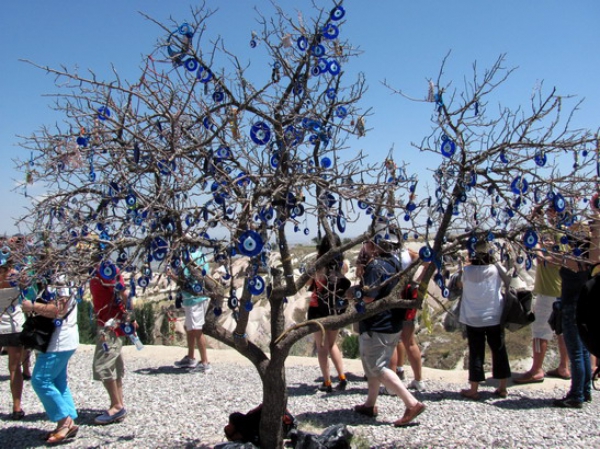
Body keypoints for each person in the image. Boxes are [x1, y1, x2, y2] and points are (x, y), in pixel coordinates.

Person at [353, 230, 426, 427]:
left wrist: (354, 294)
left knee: (377, 366)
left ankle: (411, 403)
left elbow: (369, 297)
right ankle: (370, 404)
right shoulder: (396, 263)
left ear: (376, 245)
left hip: (377, 323)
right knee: (373, 366)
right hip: (393, 323)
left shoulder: (375, 266)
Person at [515, 205, 570, 384]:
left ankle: (536, 369)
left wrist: (538, 249)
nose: (547, 214)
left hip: (549, 290)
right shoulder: (565, 232)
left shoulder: (560, 235)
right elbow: (535, 230)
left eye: (549, 211)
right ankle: (564, 366)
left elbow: (554, 258)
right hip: (562, 289)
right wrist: (535, 218)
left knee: (540, 330)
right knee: (561, 330)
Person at [22, 278, 79, 444]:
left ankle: (64, 420)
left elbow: (58, 309)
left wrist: (32, 306)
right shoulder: (63, 278)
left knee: (40, 380)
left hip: (58, 342)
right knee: (58, 381)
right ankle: (69, 422)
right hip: (64, 340)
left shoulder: (59, 280)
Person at [553, 214, 600, 408]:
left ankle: (576, 394)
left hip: (571, 305)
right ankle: (585, 390)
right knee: (583, 349)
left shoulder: (575, 261)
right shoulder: (589, 260)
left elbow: (552, 258)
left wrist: (539, 245)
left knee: (576, 352)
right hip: (582, 306)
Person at [458, 239, 512, 399]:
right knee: (499, 349)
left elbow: (460, 285)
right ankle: (502, 387)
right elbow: (508, 279)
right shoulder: (495, 269)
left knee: (476, 352)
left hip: (473, 317)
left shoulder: (467, 271)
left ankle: (474, 388)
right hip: (494, 315)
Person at [90, 258, 133, 424]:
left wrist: (131, 315)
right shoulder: (95, 270)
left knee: (102, 365)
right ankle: (118, 405)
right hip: (107, 322)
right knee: (114, 364)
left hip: (110, 325)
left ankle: (116, 406)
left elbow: (125, 294)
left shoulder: (106, 270)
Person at [306, 233, 350, 393]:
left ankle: (327, 382)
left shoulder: (318, 265)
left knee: (321, 346)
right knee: (332, 344)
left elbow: (308, 283)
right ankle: (342, 377)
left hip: (317, 308)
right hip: (335, 308)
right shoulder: (342, 264)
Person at [172, 249, 212, 373]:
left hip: (195, 298)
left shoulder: (190, 257)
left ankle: (205, 362)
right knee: (190, 328)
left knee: (196, 329)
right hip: (190, 298)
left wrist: (171, 276)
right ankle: (190, 358)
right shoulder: (198, 254)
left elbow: (186, 280)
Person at [0, 259, 26, 420]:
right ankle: (17, 406)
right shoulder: (16, 276)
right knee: (15, 368)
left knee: (15, 368)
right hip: (15, 324)